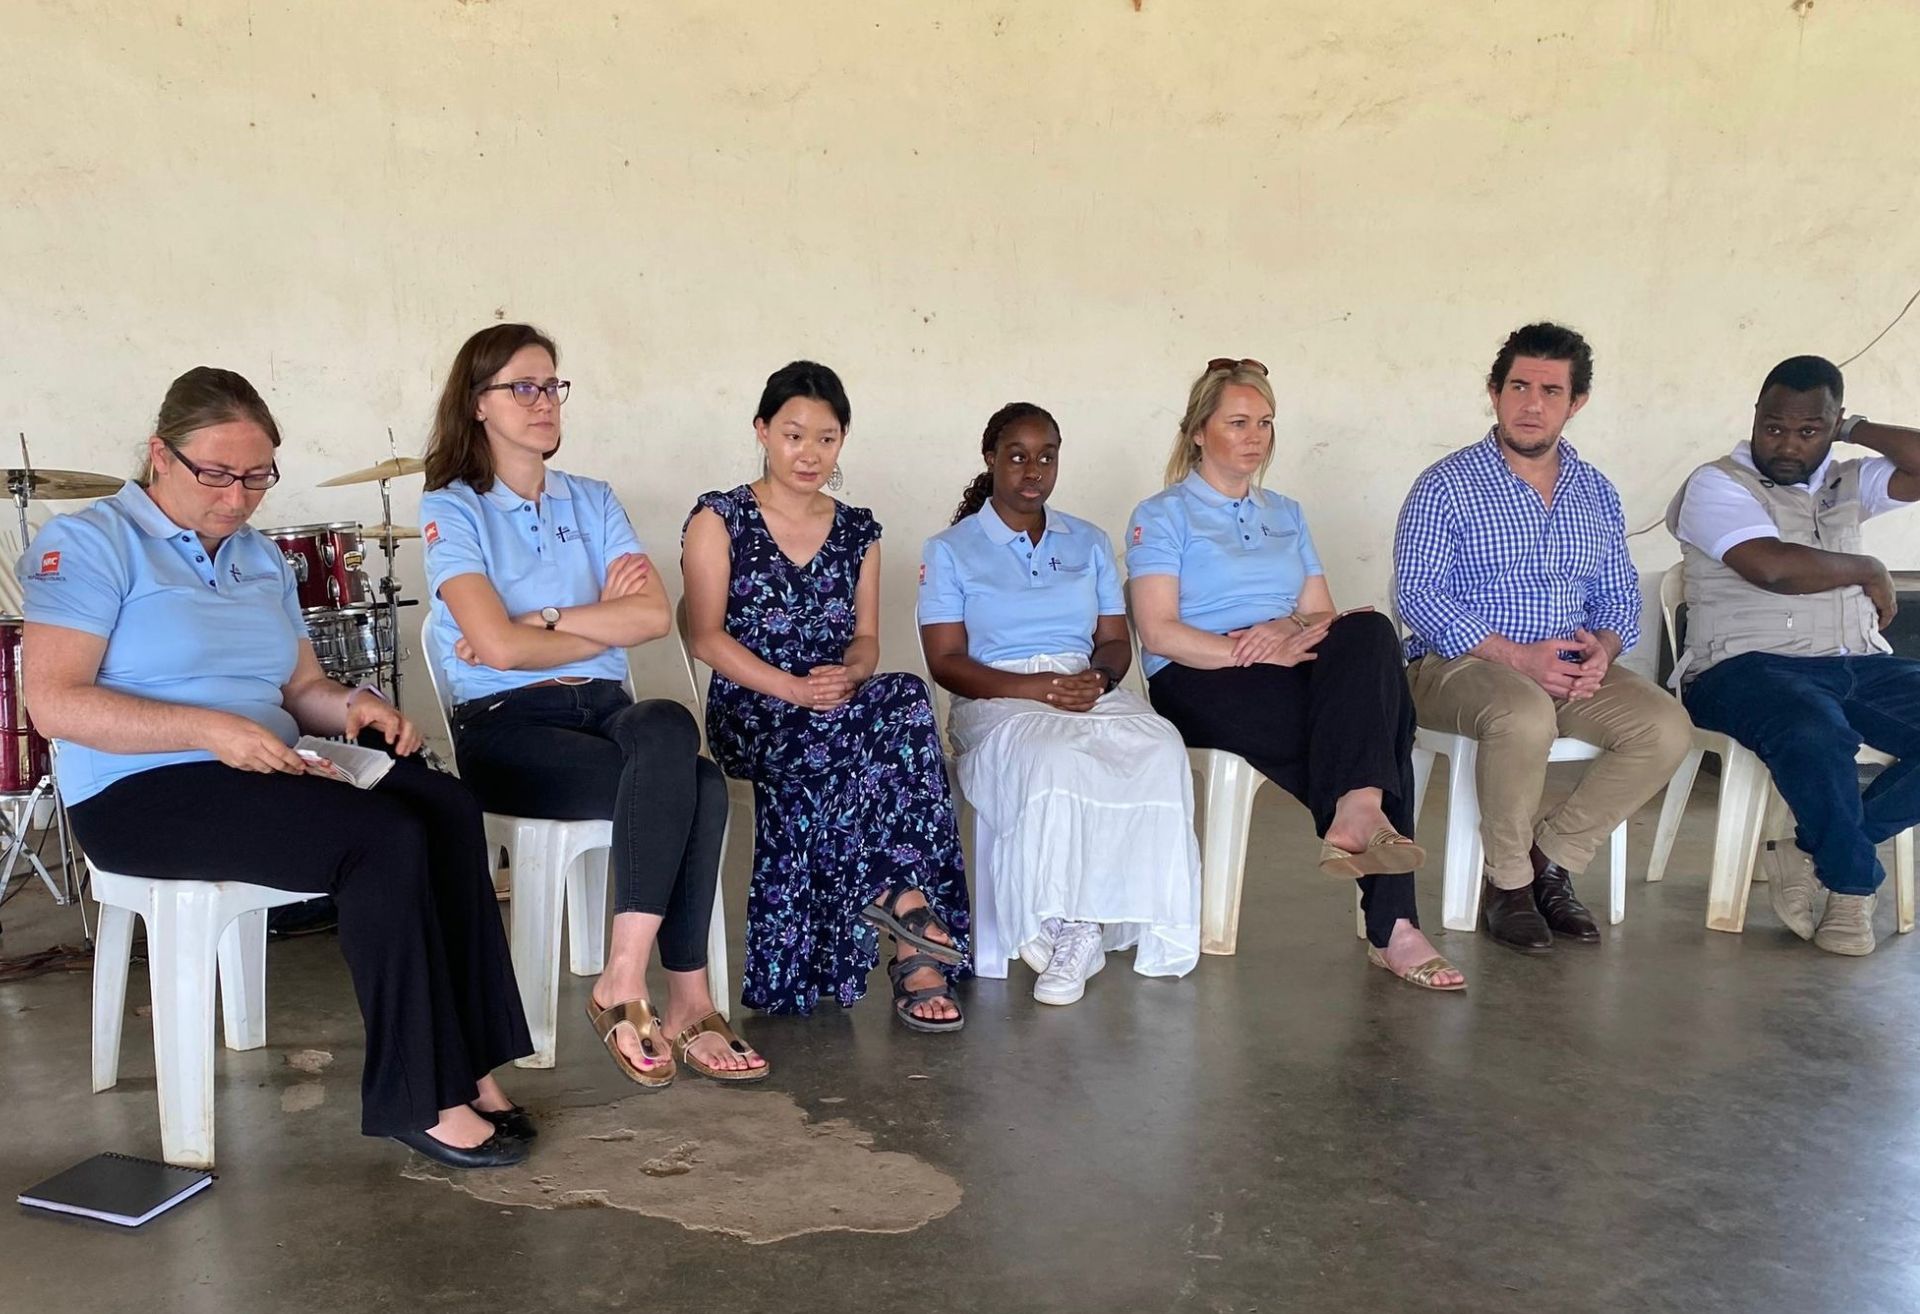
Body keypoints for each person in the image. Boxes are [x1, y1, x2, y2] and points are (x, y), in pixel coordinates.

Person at [22, 367, 532, 1168]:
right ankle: (417, 1095)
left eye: (257, 477)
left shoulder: (260, 558)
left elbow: (299, 690)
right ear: (160, 455)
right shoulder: (89, 544)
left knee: (446, 806)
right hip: (138, 788)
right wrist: (210, 730)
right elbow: (55, 704)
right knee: (380, 839)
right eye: (216, 474)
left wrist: (355, 705)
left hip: (262, 761)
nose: (238, 497)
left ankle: (469, 1061)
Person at [421, 323, 763, 1084]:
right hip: (509, 726)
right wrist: (585, 623)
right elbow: (495, 651)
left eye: (552, 385)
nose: (545, 401)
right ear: (478, 403)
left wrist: (538, 621)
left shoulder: (593, 498)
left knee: (669, 722)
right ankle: (686, 999)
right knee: (699, 783)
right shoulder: (453, 508)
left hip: (609, 711)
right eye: (524, 387)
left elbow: (651, 617)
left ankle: (622, 978)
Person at [1129, 358, 1463, 991]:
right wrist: (1252, 652)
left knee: (1370, 632)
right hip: (1201, 674)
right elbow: (1159, 632)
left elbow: (1322, 615)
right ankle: (1394, 920)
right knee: (1379, 728)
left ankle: (1357, 811)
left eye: (1265, 422)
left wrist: (1285, 629)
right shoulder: (1163, 514)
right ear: (1198, 431)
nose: (1255, 436)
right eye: (1238, 422)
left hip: (1288, 658)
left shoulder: (1286, 511)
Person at [682, 360, 971, 1028]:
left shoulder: (858, 531)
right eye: (793, 435)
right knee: (849, 745)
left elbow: (866, 641)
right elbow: (705, 638)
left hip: (834, 702)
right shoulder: (720, 519)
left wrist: (850, 675)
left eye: (826, 438)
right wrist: (792, 688)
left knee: (904, 695)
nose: (809, 453)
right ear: (762, 431)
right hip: (753, 708)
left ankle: (900, 919)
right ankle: (907, 925)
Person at [1394, 322, 1693, 954]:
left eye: (1551, 391)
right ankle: (1506, 883)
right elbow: (1417, 596)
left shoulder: (1596, 492)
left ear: (1575, 402)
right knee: (1523, 713)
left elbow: (1618, 597)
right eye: (1519, 387)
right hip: (1458, 664)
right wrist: (1516, 656)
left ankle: (1552, 859)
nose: (1532, 404)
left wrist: (1603, 651)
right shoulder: (1445, 485)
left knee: (1666, 728)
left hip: (1566, 665)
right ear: (1495, 393)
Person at [920, 402, 1201, 1003]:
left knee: (1158, 746)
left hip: (1081, 685)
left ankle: (1095, 919)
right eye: (1017, 456)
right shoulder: (950, 550)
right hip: (997, 694)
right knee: (1053, 756)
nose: (1033, 471)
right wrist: (1036, 689)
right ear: (990, 458)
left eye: (1046, 457)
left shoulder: (1088, 541)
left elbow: (1114, 641)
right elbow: (945, 662)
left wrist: (1099, 679)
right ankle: (1063, 922)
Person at [1669, 355, 1920, 955]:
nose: (1786, 444)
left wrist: (1854, 429)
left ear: (1832, 426)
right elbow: (1772, 568)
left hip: (1854, 661)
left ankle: (1812, 850)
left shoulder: (1847, 481)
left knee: (1824, 721)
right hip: (1743, 667)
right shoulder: (1717, 484)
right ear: (1756, 416)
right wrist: (1867, 568)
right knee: (1815, 732)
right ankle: (1853, 887)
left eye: (1809, 430)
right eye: (1774, 426)